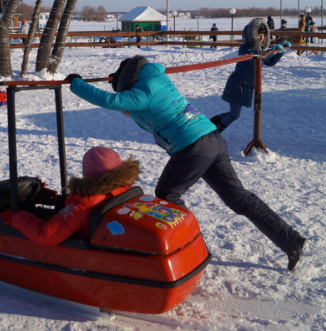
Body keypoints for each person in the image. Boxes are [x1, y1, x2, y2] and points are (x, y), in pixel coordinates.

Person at [65, 54, 306, 270]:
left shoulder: (142, 92)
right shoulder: (157, 79)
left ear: (128, 83)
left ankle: (191, 251)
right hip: (212, 138)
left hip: (192, 147)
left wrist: (76, 83)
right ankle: (290, 239)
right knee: (238, 197)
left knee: (167, 195)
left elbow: (111, 101)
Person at [1, 147, 139, 246]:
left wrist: (17, 218)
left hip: (80, 247)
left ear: (87, 172)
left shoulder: (85, 203)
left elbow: (46, 235)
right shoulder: (124, 187)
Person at [211, 18, 290, 132]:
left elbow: (269, 62)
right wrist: (271, 51)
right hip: (238, 85)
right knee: (234, 115)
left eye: (263, 35)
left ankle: (210, 128)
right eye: (259, 35)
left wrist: (280, 52)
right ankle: (214, 134)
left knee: (233, 114)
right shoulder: (245, 48)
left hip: (245, 85)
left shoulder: (259, 48)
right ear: (252, 35)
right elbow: (256, 59)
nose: (261, 37)